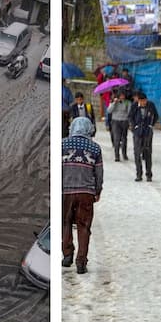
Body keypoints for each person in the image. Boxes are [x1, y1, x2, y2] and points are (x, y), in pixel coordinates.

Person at [62, 116, 103, 275]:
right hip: (86, 193)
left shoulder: (62, 144)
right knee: (84, 227)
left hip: (65, 191)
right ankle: (81, 261)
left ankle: (67, 254)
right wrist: (97, 191)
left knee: (65, 224)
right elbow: (98, 173)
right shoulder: (95, 148)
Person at [128, 91, 158, 182]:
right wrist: (134, 127)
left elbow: (156, 116)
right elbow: (130, 117)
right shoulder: (134, 106)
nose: (142, 103)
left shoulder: (151, 105)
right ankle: (139, 174)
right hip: (137, 132)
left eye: (144, 101)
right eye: (141, 101)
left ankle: (149, 174)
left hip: (147, 132)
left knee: (148, 153)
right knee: (137, 154)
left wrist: (151, 125)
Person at [107, 88, 131, 162]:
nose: (122, 97)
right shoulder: (113, 101)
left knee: (124, 138)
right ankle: (117, 155)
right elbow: (109, 111)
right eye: (120, 96)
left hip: (124, 121)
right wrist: (114, 103)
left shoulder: (127, 102)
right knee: (116, 138)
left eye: (123, 95)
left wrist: (128, 121)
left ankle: (124, 154)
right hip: (115, 121)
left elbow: (129, 112)